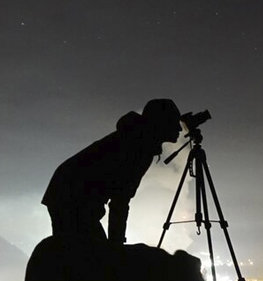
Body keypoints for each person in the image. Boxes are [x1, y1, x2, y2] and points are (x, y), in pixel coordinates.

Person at [42, 98, 182, 249]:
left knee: (84, 254)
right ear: (161, 123)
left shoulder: (136, 138)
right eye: (175, 123)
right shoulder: (137, 147)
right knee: (87, 255)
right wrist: (116, 245)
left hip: (67, 192)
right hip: (70, 195)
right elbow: (120, 200)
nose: (180, 129)